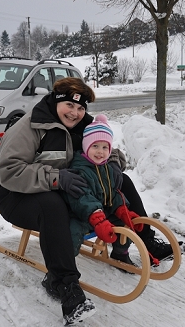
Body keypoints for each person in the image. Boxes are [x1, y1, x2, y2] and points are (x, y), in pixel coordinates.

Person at [0, 77, 179, 326]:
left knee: (122, 180)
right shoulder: (31, 126)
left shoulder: (84, 124)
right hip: (16, 195)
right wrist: (56, 178)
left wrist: (112, 163)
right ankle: (63, 283)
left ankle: (147, 241)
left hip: (62, 189)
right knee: (52, 205)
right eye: (70, 105)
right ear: (56, 100)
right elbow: (8, 172)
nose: (75, 113)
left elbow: (107, 148)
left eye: (81, 108)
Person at [62, 114, 144, 267]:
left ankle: (120, 253)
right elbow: (82, 198)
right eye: (95, 146)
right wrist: (97, 218)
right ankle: (64, 266)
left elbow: (114, 193)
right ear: (86, 147)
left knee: (124, 224)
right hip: (81, 214)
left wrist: (122, 210)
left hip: (101, 212)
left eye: (105, 147)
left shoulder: (107, 168)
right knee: (72, 232)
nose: (100, 151)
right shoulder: (79, 169)